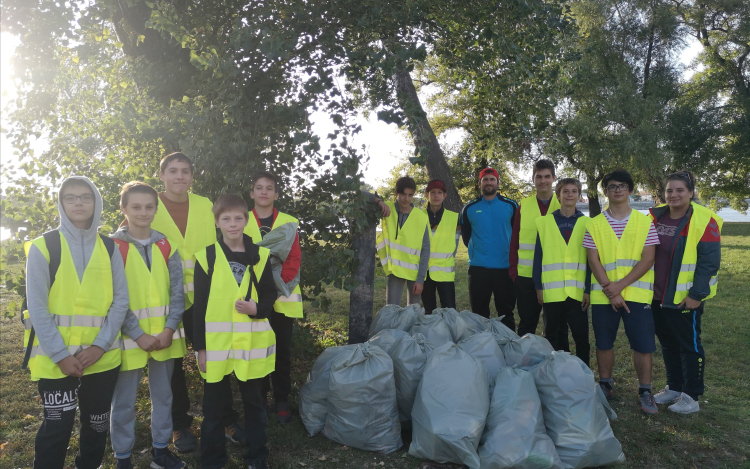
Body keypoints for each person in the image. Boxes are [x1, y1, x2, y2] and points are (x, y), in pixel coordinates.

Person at [24, 176, 129, 469]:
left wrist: (99, 346)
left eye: (85, 196)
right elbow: (38, 307)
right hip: (55, 360)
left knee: (96, 427)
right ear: (61, 203)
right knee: (56, 429)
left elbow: (120, 301)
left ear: (96, 202)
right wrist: (60, 355)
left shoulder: (110, 248)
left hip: (102, 358)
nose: (79, 203)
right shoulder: (43, 246)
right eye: (70, 197)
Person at [193, 194, 277, 469]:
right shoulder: (206, 257)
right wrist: (200, 348)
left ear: (246, 220)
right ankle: (212, 461)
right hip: (216, 346)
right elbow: (199, 307)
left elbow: (269, 296)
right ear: (217, 222)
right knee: (213, 410)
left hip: (250, 344)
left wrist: (257, 309)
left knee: (254, 404)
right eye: (226, 219)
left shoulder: (261, 256)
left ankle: (257, 457)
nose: (233, 224)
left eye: (238, 218)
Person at [109, 182, 187, 469]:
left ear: (156, 208)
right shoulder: (112, 246)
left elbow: (178, 292)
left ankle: (160, 451)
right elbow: (113, 296)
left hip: (166, 337)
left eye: (149, 207)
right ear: (124, 209)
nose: (143, 212)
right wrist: (138, 333)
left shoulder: (167, 245)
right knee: (125, 402)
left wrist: (168, 329)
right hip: (129, 338)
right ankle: (123, 457)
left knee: (164, 396)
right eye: (136, 207)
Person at [143, 152, 217, 451]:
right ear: (161, 175)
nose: (179, 177)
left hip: (205, 295)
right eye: (172, 171)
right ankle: (179, 425)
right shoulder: (148, 205)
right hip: (166, 297)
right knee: (170, 361)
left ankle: (220, 417)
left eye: (185, 171)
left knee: (213, 354)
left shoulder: (204, 205)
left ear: (192, 176)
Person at [584, 169, 660, 414]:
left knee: (643, 344)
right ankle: (605, 385)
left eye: (622, 185)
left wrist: (618, 286)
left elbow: (648, 260)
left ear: (630, 190)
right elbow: (593, 260)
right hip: (604, 296)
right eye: (612, 186)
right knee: (604, 342)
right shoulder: (593, 224)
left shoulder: (644, 222)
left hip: (637, 295)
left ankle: (645, 390)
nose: (617, 190)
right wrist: (611, 291)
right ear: (605, 191)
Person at [649, 171, 722, 414]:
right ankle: (674, 386)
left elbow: (709, 262)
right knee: (668, 344)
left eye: (680, 190)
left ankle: (692, 395)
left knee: (689, 345)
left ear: (691, 193)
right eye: (670, 190)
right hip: (657, 295)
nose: (674, 195)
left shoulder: (704, 220)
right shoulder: (655, 217)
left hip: (684, 297)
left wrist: (696, 295)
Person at [243, 171, 302, 424]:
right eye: (259, 187)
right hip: (252, 295)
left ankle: (281, 400)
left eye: (269, 188)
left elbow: (294, 258)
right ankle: (261, 398)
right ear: (252, 193)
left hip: (283, 297)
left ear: (276, 194)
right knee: (256, 348)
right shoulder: (241, 219)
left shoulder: (289, 221)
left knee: (281, 351)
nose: (264, 192)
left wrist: (278, 286)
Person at [533, 178, 591, 366]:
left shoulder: (586, 223)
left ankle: (584, 373)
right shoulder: (545, 223)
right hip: (552, 290)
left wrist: (588, 289)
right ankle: (557, 372)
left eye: (574, 191)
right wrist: (538, 286)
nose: (570, 195)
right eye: (565, 191)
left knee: (581, 335)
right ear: (558, 196)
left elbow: (592, 260)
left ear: (579, 195)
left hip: (576, 291)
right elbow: (538, 258)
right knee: (553, 334)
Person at [460, 168, 518, 329]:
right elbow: (466, 237)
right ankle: (481, 348)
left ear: (498, 183)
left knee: (506, 313)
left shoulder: (511, 205)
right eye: (485, 179)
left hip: (505, 268)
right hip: (479, 269)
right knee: (478, 314)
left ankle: (508, 346)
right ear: (479, 184)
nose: (489, 182)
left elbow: (516, 234)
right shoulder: (469, 208)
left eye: (492, 179)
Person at [510, 159, 561, 337]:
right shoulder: (523, 206)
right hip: (526, 276)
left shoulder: (564, 205)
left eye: (547, 176)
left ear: (554, 178)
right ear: (533, 179)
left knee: (554, 326)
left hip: (555, 275)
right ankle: (524, 360)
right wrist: (514, 273)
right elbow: (514, 240)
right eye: (538, 177)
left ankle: (553, 361)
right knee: (526, 324)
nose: (543, 181)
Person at [373, 176, 430, 306]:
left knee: (414, 312)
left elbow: (426, 249)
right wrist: (379, 202)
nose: (406, 199)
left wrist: (420, 279)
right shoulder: (387, 208)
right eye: (403, 194)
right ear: (396, 193)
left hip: (414, 272)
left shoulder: (421, 217)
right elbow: (362, 195)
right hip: (395, 270)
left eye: (410, 195)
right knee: (391, 310)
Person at [421, 179, 461, 314]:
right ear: (427, 195)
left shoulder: (454, 218)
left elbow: (455, 246)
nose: (436, 196)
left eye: (439, 193)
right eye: (432, 192)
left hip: (445, 272)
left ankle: (450, 335)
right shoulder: (418, 217)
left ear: (445, 195)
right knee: (428, 310)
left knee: (449, 310)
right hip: (423, 272)